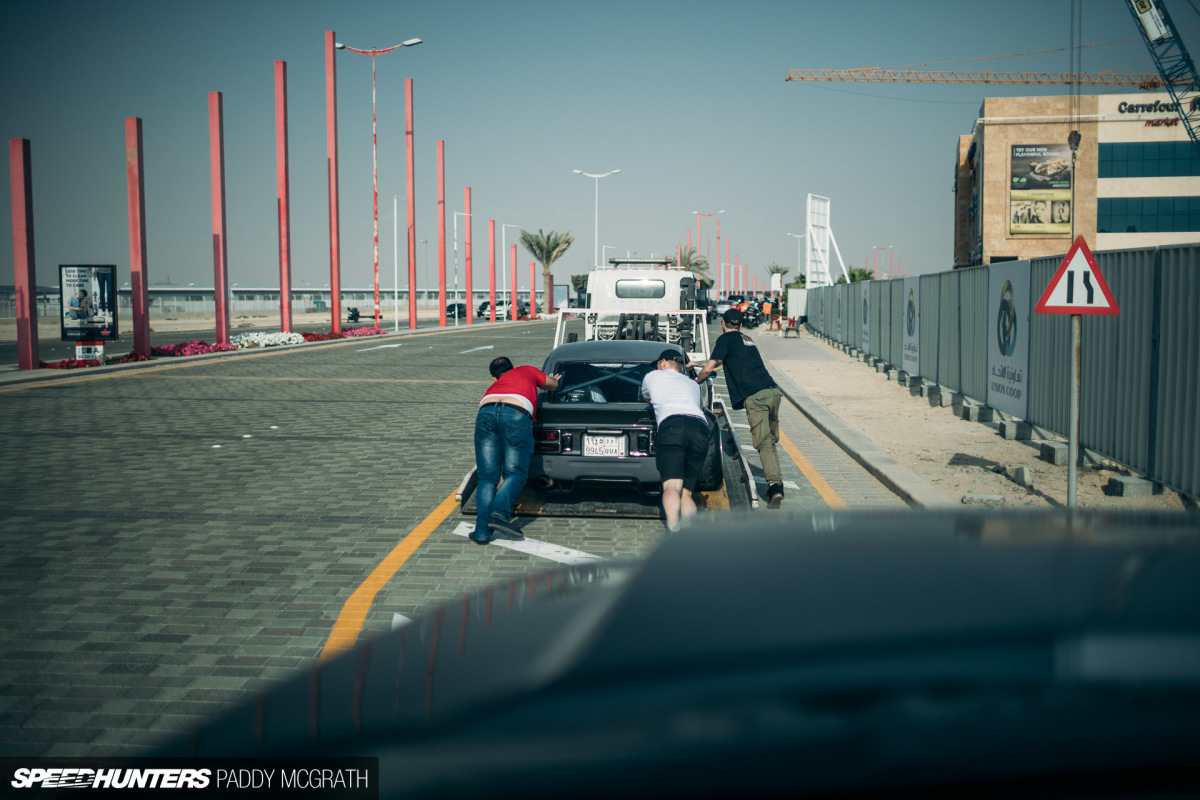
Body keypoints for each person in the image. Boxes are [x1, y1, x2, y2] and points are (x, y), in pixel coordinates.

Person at [694, 308, 785, 508]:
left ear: (723, 324)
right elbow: (726, 360)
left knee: (763, 443)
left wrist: (695, 380)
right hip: (773, 392)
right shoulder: (747, 339)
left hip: (756, 397)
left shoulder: (725, 339)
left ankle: (775, 488)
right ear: (740, 324)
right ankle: (776, 482)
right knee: (769, 441)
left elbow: (709, 368)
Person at [471, 356, 560, 545]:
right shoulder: (526, 370)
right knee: (515, 473)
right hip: (516, 412)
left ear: (494, 378)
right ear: (513, 367)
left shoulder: (495, 385)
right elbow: (551, 385)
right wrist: (553, 379)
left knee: (487, 477)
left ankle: (481, 532)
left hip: (485, 412)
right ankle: (499, 513)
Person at [640, 349, 709, 531]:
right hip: (700, 428)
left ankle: (674, 530)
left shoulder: (653, 376)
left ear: (663, 363)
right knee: (686, 492)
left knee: (672, 486)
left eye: (657, 364)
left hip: (673, 426)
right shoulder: (693, 384)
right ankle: (689, 536)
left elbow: (647, 398)